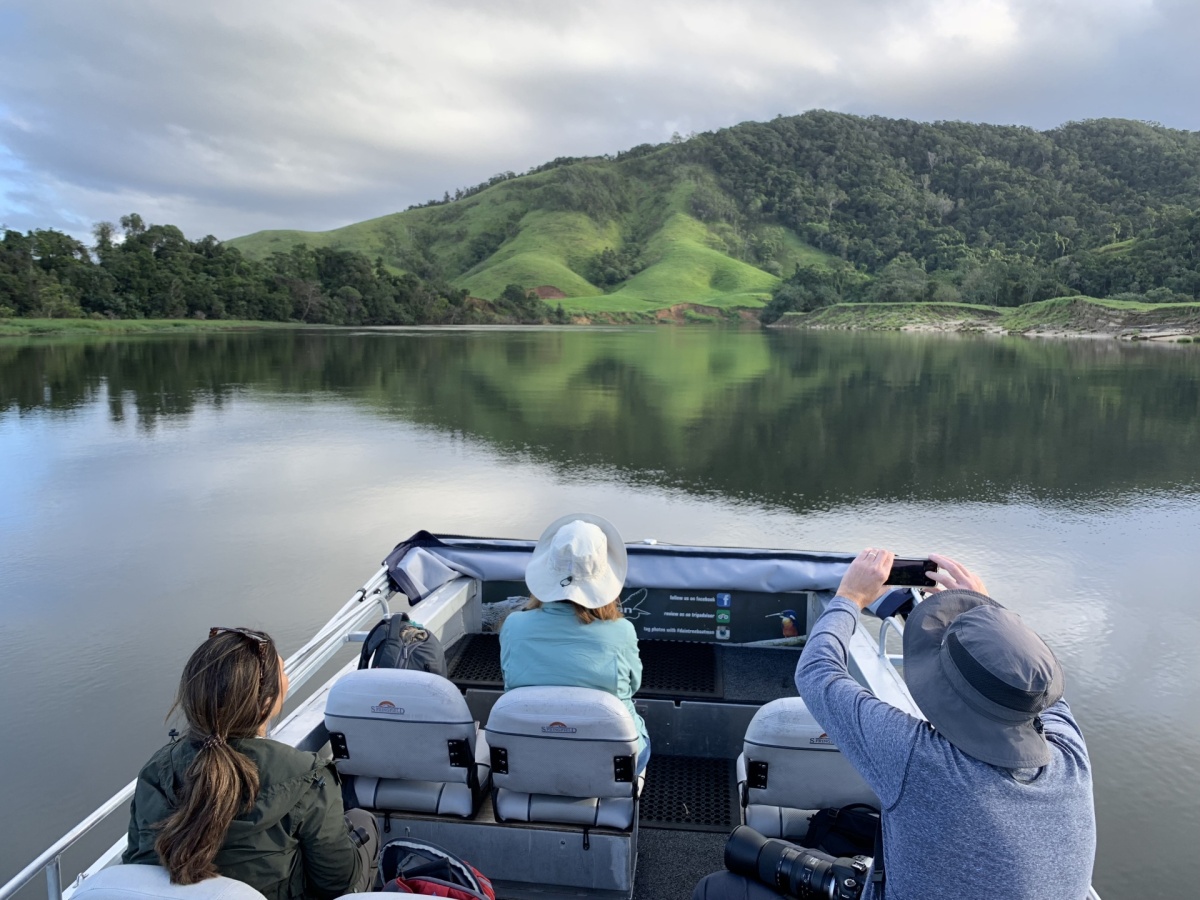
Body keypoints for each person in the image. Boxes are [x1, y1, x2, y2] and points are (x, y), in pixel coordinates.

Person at [694, 550, 1096, 900]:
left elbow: (817, 671)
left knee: (717, 888)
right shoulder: (1070, 756)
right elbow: (1032, 681)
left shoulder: (921, 760)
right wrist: (988, 614)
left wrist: (850, 596)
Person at [123, 627, 378, 900]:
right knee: (364, 822)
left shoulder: (156, 772)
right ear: (267, 700)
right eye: (282, 671)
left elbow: (137, 866)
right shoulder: (308, 777)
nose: (287, 678)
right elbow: (334, 882)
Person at [500, 513, 649, 773]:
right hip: (610, 764)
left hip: (531, 757)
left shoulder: (513, 626)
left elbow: (509, 681)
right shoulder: (622, 631)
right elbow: (633, 684)